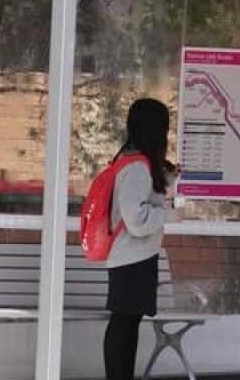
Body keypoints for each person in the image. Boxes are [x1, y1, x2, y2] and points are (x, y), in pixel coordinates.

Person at [104, 98, 175, 380]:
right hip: (131, 257)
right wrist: (169, 215)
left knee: (128, 323)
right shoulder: (135, 167)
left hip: (136, 256)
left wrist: (166, 179)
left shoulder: (135, 161)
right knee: (124, 324)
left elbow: (144, 201)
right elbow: (136, 219)